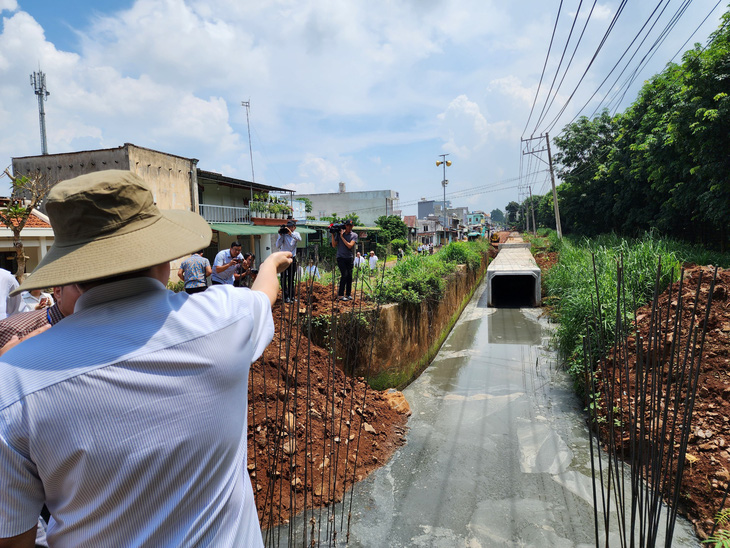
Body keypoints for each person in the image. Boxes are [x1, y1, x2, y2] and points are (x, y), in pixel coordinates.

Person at [0, 170, 292, 547]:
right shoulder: (225, 318)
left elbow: (13, 539)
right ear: (161, 258)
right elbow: (263, 295)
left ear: (72, 274)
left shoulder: (14, 383)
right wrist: (270, 266)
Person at [0, 285, 80, 348]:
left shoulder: (47, 296)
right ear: (58, 292)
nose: (91, 294)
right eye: (81, 285)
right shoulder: (17, 332)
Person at [331, 219, 358, 301]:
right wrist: (333, 234)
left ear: (352, 226)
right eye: (347, 225)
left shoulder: (354, 235)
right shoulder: (339, 235)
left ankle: (348, 294)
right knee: (344, 274)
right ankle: (340, 295)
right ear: (345, 226)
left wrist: (342, 237)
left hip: (349, 257)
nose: (349, 227)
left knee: (349, 276)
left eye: (350, 226)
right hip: (341, 257)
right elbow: (334, 245)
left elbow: (350, 246)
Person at [276, 220, 301, 303]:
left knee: (291, 278)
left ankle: (292, 296)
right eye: (288, 227)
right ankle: (285, 296)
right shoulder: (283, 235)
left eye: (291, 227)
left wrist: (291, 233)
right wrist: (280, 236)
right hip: (283, 258)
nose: (289, 228)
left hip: (292, 257)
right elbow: (277, 245)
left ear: (294, 227)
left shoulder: (296, 234)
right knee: (283, 278)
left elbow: (299, 239)